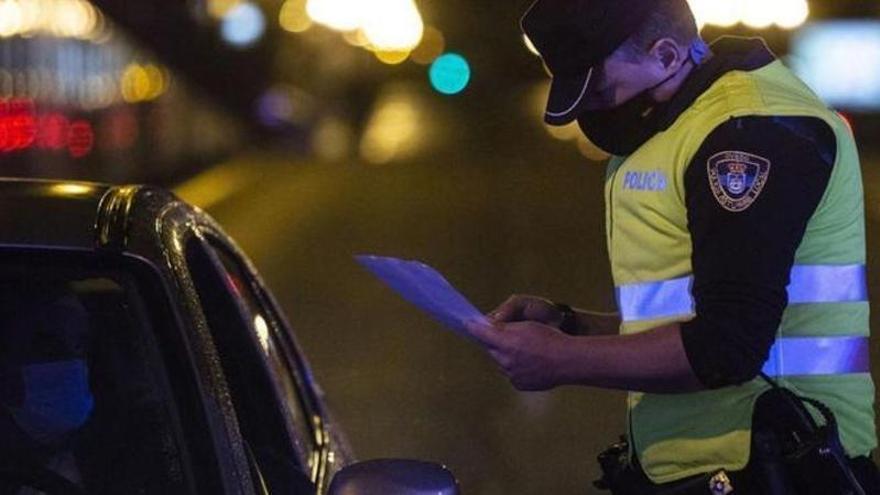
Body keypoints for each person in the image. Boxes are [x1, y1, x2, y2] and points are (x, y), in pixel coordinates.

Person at [464, 0, 880, 493]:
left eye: (599, 86)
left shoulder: (749, 133)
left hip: (782, 465)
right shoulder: (681, 121)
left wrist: (562, 360)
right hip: (724, 469)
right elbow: (693, 320)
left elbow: (727, 345)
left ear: (665, 55)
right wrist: (572, 326)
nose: (595, 107)